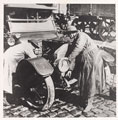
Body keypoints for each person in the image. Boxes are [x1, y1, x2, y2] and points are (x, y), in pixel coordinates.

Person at [63, 26, 114, 112]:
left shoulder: (81, 36)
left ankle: (89, 104)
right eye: (68, 34)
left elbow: (77, 49)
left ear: (74, 33)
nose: (69, 36)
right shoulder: (76, 38)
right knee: (85, 80)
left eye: (70, 34)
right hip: (87, 59)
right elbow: (76, 55)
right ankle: (85, 99)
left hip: (92, 59)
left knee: (90, 81)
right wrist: (70, 69)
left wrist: (68, 59)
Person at [3, 36, 40, 105]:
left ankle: (9, 94)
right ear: (31, 44)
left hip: (9, 57)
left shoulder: (23, 45)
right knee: (8, 77)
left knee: (10, 76)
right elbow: (34, 58)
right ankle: (4, 98)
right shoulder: (27, 47)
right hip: (8, 59)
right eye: (35, 46)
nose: (34, 48)